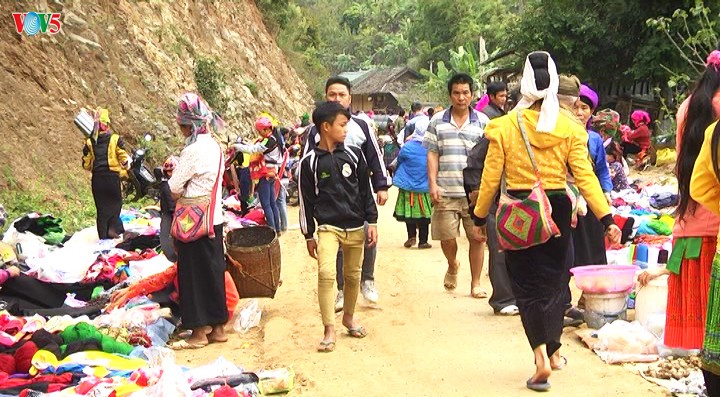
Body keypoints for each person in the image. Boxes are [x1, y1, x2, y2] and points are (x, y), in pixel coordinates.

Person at [472, 52, 621, 391]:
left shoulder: (506, 126)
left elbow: (491, 177)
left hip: (519, 209)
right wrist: (606, 217)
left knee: (525, 286)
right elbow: (585, 178)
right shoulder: (569, 127)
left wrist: (480, 215)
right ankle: (554, 353)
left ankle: (541, 354)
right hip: (555, 206)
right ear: (554, 83)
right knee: (555, 283)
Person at [642, 50, 720, 358]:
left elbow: (687, 172)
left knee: (703, 331)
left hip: (689, 225)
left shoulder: (688, 106)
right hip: (714, 229)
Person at [302, 77, 390, 307]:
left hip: (359, 193)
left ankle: (367, 280)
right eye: (332, 95)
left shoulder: (361, 125)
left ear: (350, 98)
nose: (337, 99)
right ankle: (341, 290)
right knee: (337, 243)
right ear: (326, 96)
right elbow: (308, 162)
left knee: (367, 237)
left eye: (342, 95)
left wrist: (381, 186)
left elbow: (374, 156)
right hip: (331, 197)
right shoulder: (316, 130)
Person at [299, 101, 378, 353]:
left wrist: (372, 220)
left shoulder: (355, 154)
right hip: (327, 228)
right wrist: (308, 234)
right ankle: (329, 328)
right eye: (342, 125)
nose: (346, 130)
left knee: (353, 275)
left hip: (356, 226)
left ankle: (349, 318)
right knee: (326, 274)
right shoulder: (309, 163)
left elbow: (366, 191)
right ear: (325, 127)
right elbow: (305, 200)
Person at [167, 92, 227, 349]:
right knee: (213, 272)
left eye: (181, 124)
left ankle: (199, 332)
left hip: (194, 222)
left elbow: (174, 186)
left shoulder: (192, 151)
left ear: (189, 124)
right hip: (214, 219)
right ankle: (218, 328)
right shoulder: (215, 146)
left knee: (192, 276)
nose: (180, 129)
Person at [424, 73, 489, 298]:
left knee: (477, 238)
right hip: (445, 189)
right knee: (446, 236)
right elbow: (432, 154)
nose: (461, 97)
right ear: (450, 95)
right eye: (456, 93)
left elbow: (490, 158)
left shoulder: (483, 122)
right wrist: (433, 184)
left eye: (465, 93)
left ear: (472, 94)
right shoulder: (437, 122)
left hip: (475, 193)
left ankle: (476, 283)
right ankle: (452, 264)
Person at [465, 81, 520, 315]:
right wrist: (479, 199)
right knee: (500, 250)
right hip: (501, 201)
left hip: (534, 200)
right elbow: (476, 162)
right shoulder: (500, 129)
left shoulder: (551, 130)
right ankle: (504, 299)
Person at [82, 108, 131, 240]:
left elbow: (86, 164)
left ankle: (103, 237)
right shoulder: (115, 139)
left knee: (102, 210)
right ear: (106, 124)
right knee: (115, 206)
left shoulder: (89, 142)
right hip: (112, 179)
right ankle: (114, 231)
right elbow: (123, 157)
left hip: (98, 180)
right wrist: (126, 166)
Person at [234, 117, 284, 234]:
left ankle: (272, 231)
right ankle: (278, 228)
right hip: (272, 173)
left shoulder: (269, 140)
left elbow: (254, 149)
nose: (259, 134)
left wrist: (237, 146)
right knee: (272, 203)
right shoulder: (275, 138)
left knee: (266, 204)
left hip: (265, 173)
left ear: (266, 129)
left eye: (260, 131)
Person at [393, 123, 433, 249]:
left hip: (407, 185)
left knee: (409, 212)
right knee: (424, 214)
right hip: (424, 186)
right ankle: (423, 241)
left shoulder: (407, 147)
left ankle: (411, 236)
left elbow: (399, 161)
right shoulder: (431, 148)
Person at [159, 156, 178, 262]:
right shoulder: (165, 184)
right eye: (168, 172)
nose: (170, 174)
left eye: (172, 171)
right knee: (166, 241)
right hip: (168, 214)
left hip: (174, 213)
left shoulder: (175, 184)